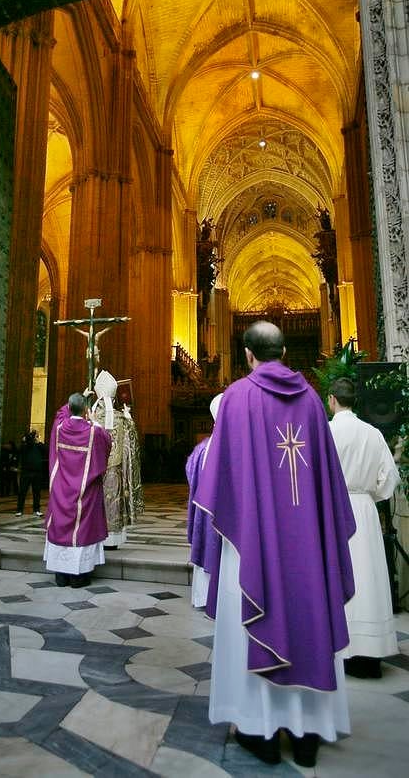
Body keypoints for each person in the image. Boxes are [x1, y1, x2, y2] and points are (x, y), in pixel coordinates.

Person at [193, 321, 355, 769]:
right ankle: (308, 734)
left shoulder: (237, 399)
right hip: (308, 546)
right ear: (283, 352)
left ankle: (258, 730)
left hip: (252, 548)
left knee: (252, 619)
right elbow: (328, 484)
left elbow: (218, 484)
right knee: (309, 614)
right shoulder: (311, 402)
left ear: (248, 355)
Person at [328, 377, 400, 678]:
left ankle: (342, 649)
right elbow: (390, 479)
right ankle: (370, 653)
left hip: (335, 510)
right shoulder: (373, 433)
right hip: (365, 511)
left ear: (331, 400)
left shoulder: (327, 432)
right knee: (368, 576)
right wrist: (373, 495)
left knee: (341, 575)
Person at [44, 392, 112, 588]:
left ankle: (61, 575)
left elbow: (60, 413)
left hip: (61, 489)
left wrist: (80, 397)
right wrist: (92, 419)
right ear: (85, 410)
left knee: (60, 526)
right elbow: (108, 442)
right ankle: (78, 577)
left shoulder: (59, 427)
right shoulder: (94, 431)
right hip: (85, 492)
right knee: (81, 529)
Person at [90, 370, 143, 548]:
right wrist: (129, 417)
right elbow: (133, 445)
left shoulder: (91, 418)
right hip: (116, 471)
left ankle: (94, 535)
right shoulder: (122, 418)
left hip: (94, 470)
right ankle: (112, 539)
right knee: (113, 502)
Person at [185, 393, 222, 607]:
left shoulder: (202, 448)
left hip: (205, 514)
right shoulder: (237, 446)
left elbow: (190, 472)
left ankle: (202, 598)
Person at [17, 429, 45, 516]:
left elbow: (45, 450)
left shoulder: (39, 446)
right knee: (22, 491)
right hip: (26, 472)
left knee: (37, 492)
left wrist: (38, 441)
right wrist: (24, 441)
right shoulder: (25, 446)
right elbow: (19, 450)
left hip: (37, 472)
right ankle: (19, 510)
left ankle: (36, 509)